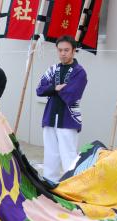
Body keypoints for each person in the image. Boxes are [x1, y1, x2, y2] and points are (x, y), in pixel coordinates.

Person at [36, 35, 88, 183]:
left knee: (69, 155)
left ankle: (71, 186)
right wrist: (56, 88)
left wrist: (51, 89)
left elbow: (72, 95)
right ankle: (49, 183)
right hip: (50, 116)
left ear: (73, 51)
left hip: (69, 118)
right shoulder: (52, 68)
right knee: (50, 154)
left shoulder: (80, 72)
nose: (63, 53)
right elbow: (40, 89)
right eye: (60, 50)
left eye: (66, 50)